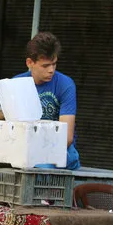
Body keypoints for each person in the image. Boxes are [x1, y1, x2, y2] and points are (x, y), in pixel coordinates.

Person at [14, 32, 80, 170]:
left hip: (61, 150)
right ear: (29, 63)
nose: (51, 70)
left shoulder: (65, 84)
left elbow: (66, 138)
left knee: (41, 167)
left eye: (54, 64)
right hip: (26, 149)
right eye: (45, 66)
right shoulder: (16, 84)